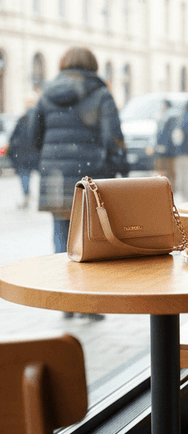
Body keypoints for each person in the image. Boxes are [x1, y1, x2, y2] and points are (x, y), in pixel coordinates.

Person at [28, 46, 129, 319]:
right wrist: (120, 170)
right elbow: (113, 137)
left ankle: (66, 301)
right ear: (93, 65)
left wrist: (48, 160)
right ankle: (90, 305)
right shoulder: (100, 93)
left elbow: (33, 135)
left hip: (56, 174)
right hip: (90, 176)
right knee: (91, 238)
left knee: (61, 235)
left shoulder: (47, 93)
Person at [7, 105, 39, 209]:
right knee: (42, 175)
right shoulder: (38, 119)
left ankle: (26, 196)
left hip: (23, 155)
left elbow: (13, 137)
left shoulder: (22, 120)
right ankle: (32, 196)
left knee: (24, 177)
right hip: (33, 154)